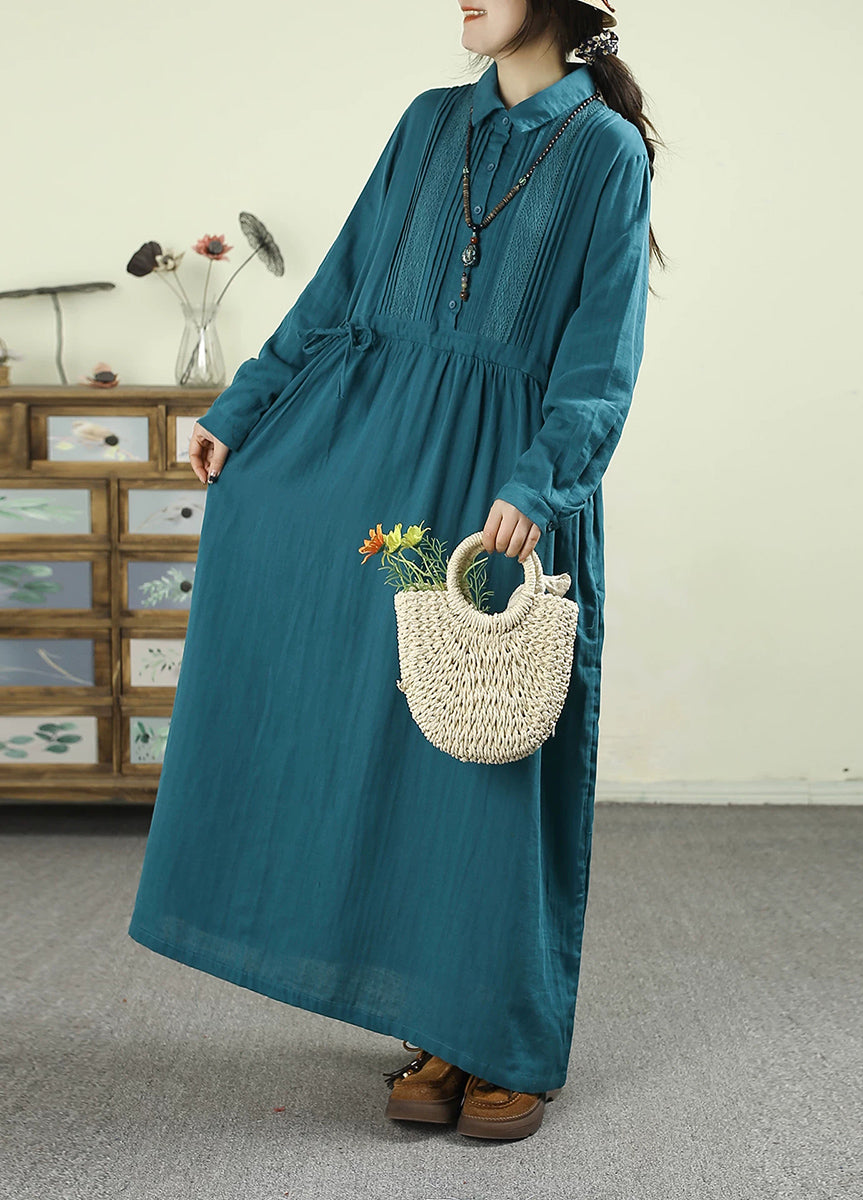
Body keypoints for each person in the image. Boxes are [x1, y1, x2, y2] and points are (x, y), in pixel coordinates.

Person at [128, 0, 665, 1144]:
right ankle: (432, 1024)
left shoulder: (607, 153)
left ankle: (503, 1043)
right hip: (380, 454)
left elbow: (603, 355)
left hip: (502, 488)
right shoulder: (428, 123)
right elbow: (339, 292)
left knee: (491, 765)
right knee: (400, 745)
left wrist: (541, 484)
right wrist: (247, 405)